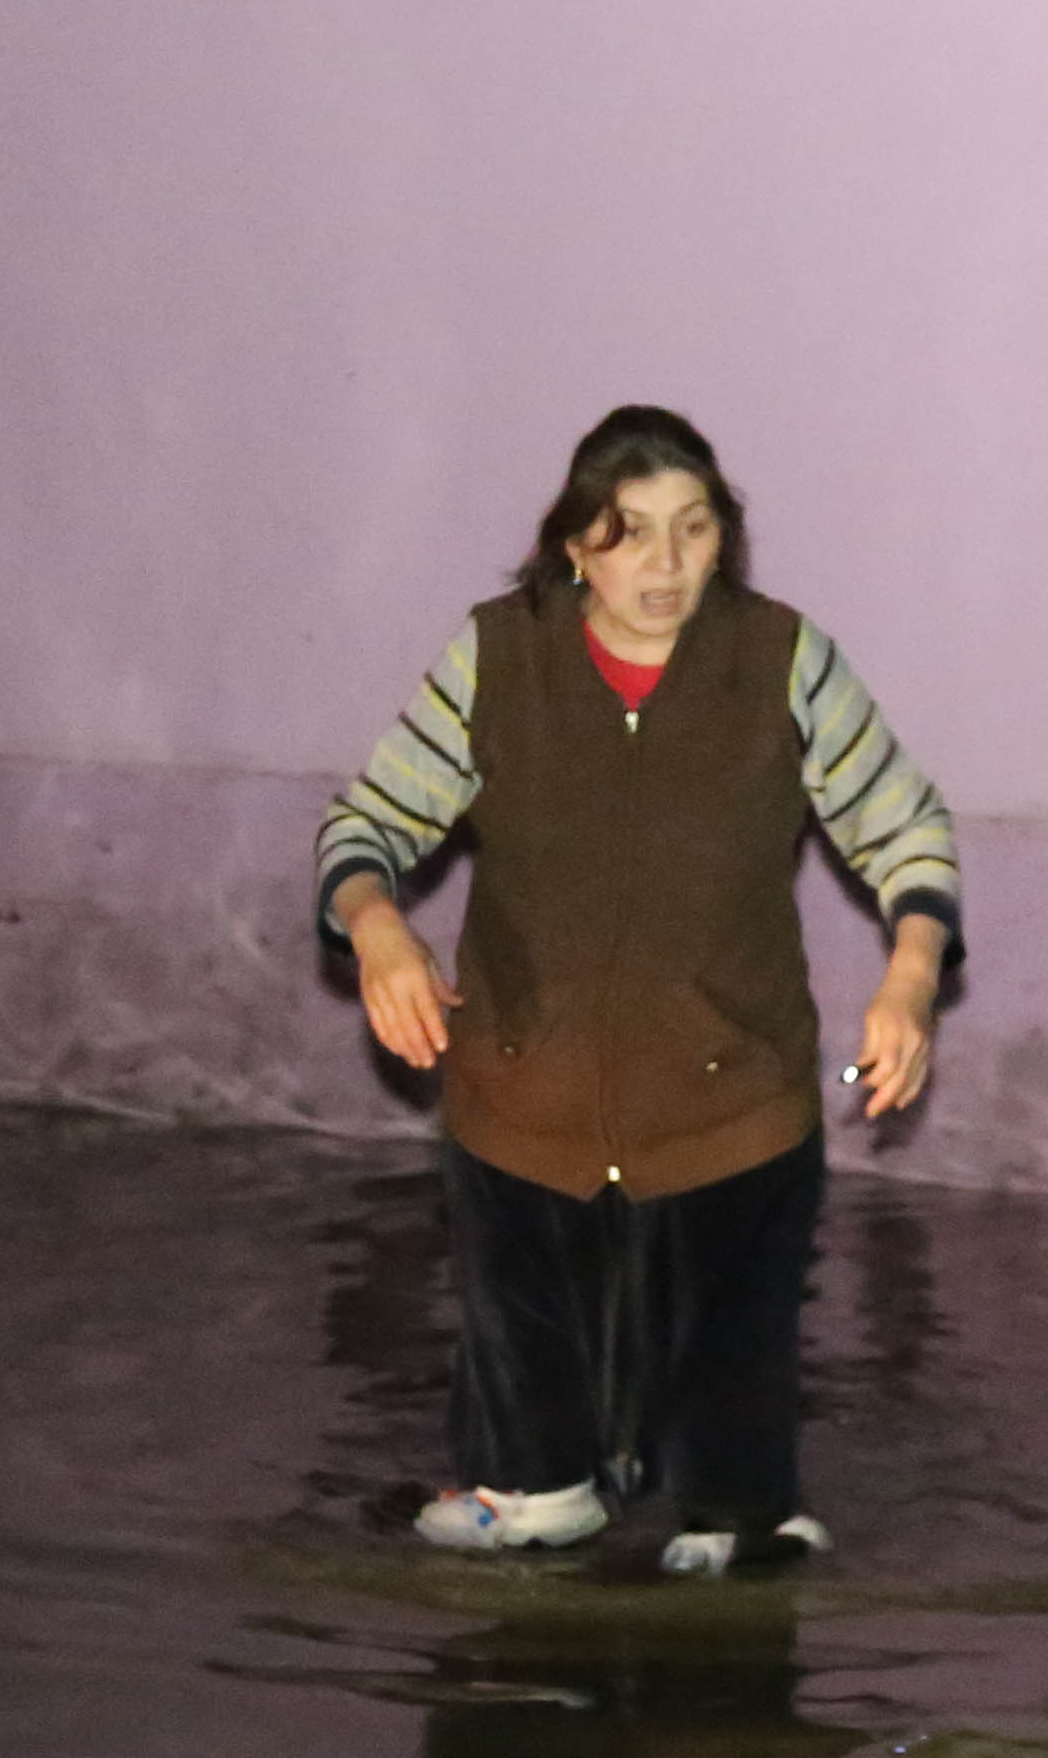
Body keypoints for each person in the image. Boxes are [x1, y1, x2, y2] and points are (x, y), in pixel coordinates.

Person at [315, 404, 961, 1569]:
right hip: (525, 1086)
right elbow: (370, 823)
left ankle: (741, 1519)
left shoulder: (781, 661)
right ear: (575, 545)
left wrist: (911, 974)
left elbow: (902, 824)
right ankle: (537, 1486)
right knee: (524, 1335)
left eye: (694, 530)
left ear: (726, 539)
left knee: (726, 1387)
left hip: (729, 1094)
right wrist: (377, 932)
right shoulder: (496, 657)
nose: (664, 566)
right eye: (629, 533)